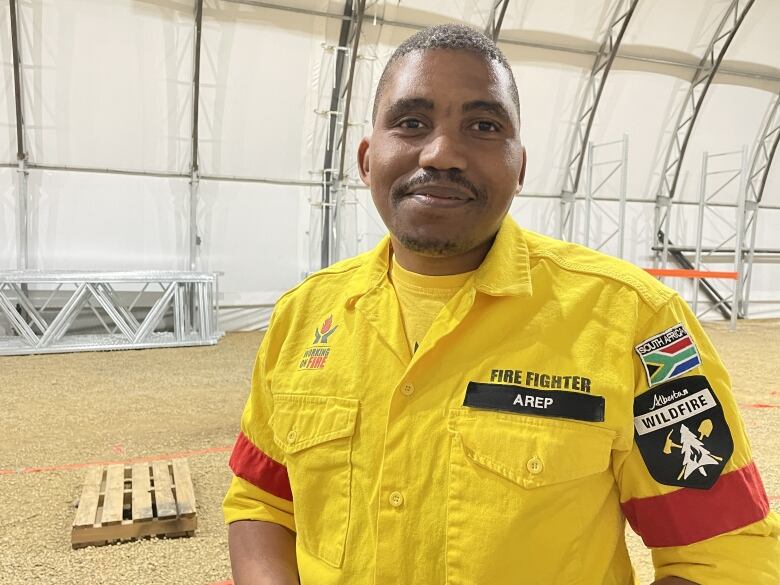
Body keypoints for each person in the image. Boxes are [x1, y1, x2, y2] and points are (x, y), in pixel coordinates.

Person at [223, 23, 780, 585]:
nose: (442, 153)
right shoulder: (304, 314)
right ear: (367, 159)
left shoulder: (635, 319)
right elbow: (262, 500)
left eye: (483, 126)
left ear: (519, 167)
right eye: (411, 122)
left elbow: (722, 551)